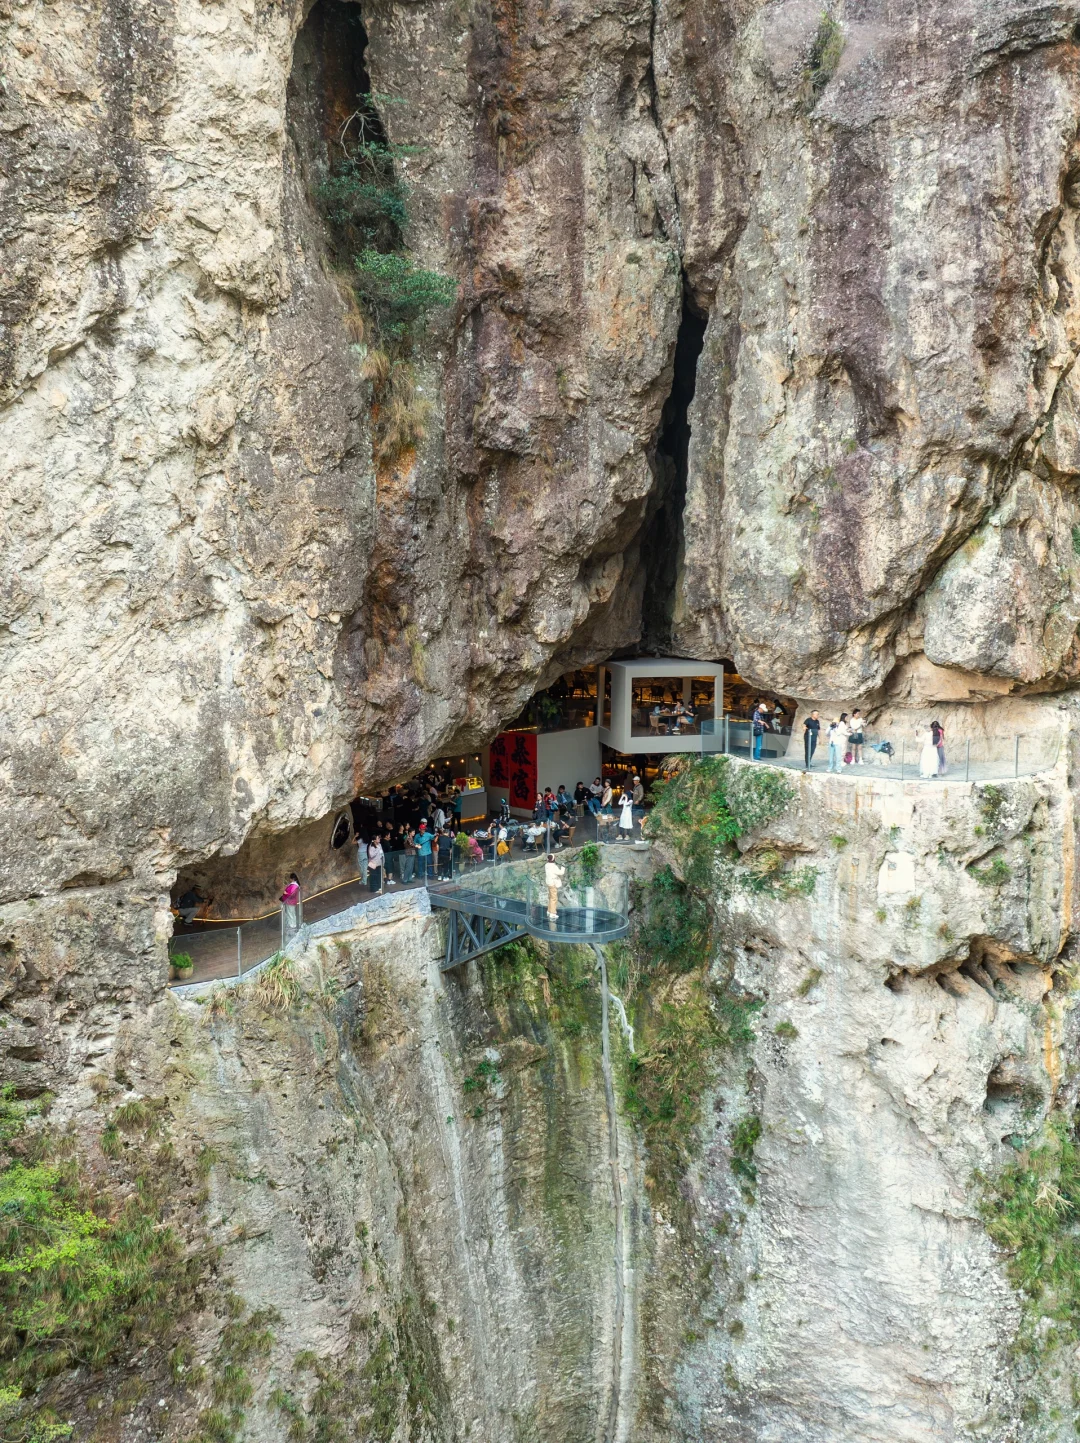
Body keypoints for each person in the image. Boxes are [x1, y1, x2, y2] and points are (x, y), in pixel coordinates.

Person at [544, 853, 566, 919]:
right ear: (554, 859)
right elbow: (561, 873)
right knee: (554, 898)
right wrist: (563, 867)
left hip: (548, 883)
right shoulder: (553, 866)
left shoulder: (546, 865)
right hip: (553, 883)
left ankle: (549, 910)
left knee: (551, 897)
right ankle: (552, 913)